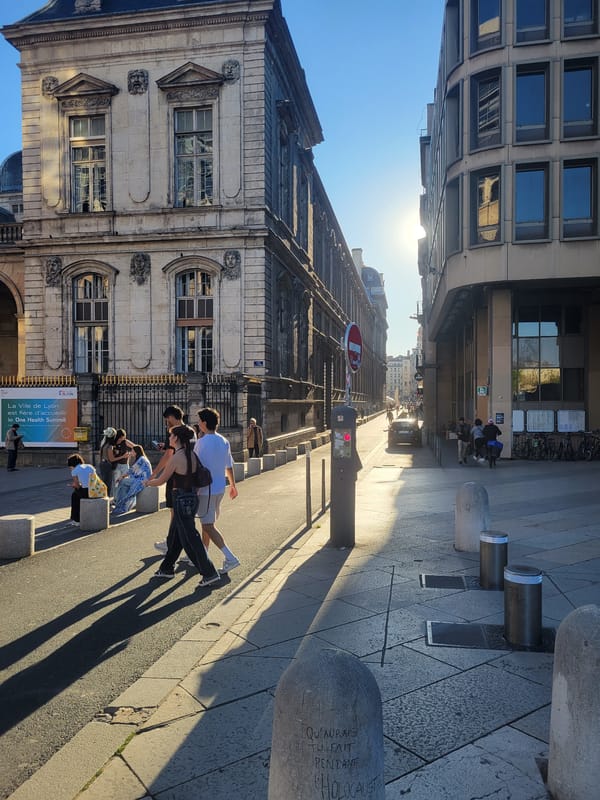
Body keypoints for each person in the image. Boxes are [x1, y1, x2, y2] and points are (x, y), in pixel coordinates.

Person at [144, 425, 221, 587]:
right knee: (178, 535)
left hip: (180, 498)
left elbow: (161, 480)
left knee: (190, 539)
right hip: (191, 497)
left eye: (171, 435)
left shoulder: (177, 457)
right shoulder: (192, 455)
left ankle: (209, 572)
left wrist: (147, 482)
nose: (169, 438)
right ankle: (167, 568)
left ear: (177, 439)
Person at [195, 407, 240, 574]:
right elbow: (229, 466)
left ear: (205, 423)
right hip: (220, 488)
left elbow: (195, 465)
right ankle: (204, 554)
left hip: (206, 489)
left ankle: (230, 557)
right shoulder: (223, 440)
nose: (198, 424)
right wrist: (233, 485)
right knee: (208, 524)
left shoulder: (201, 442)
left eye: (199, 421)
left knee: (207, 525)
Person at [153, 405, 188, 557]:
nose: (166, 422)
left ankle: (171, 544)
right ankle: (175, 544)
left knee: (175, 513)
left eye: (167, 419)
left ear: (172, 417)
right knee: (184, 516)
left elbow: (168, 456)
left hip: (174, 477)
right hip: (187, 475)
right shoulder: (190, 431)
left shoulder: (174, 433)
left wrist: (154, 473)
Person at [111, 444, 152, 515]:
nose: (131, 452)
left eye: (132, 451)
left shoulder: (141, 459)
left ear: (136, 452)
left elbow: (131, 470)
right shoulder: (142, 458)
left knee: (123, 482)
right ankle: (122, 505)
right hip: (142, 480)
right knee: (123, 484)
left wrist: (121, 477)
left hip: (141, 481)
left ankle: (121, 505)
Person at [67, 453, 96, 526]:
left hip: (85, 492)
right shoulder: (90, 466)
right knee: (76, 494)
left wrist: (73, 485)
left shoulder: (74, 471)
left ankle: (76, 520)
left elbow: (77, 485)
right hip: (94, 490)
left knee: (74, 496)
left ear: (72, 465)